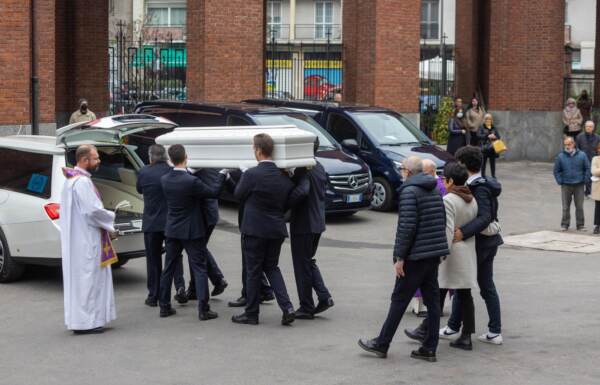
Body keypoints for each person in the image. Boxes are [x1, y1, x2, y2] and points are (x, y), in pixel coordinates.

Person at [358, 156, 449, 362]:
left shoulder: (409, 192)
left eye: (402, 169)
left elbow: (406, 228)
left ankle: (382, 343)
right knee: (433, 303)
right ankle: (429, 348)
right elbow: (441, 221)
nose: (401, 172)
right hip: (432, 254)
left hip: (415, 257)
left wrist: (399, 258)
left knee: (399, 300)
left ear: (408, 171)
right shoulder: (434, 189)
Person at [404, 162, 478, 351]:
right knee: (462, 293)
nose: (443, 181)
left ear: (452, 181)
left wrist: (440, 254)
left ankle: (428, 330)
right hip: (467, 250)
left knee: (438, 292)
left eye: (445, 178)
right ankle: (464, 334)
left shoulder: (449, 200)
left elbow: (447, 229)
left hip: (452, 252)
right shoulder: (471, 198)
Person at [231, 134, 302, 326]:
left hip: (254, 229)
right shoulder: (284, 177)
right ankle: (287, 307)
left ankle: (251, 314)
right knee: (272, 267)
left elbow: (238, 195)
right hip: (276, 229)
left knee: (253, 271)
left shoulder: (252, 174)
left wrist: (239, 175)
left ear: (258, 150)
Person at [158, 145, 228, 320]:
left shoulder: (165, 179)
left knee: (168, 268)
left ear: (169, 160)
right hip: (191, 230)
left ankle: (164, 306)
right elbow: (213, 192)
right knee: (199, 268)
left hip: (172, 229)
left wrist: (189, 172)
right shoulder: (191, 181)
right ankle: (203, 309)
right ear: (186, 157)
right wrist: (222, 174)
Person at [449, 146, 504, 345]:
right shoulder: (482, 183)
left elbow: (485, 216)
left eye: (458, 163)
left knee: (466, 284)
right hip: (487, 242)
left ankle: (492, 330)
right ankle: (457, 327)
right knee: (478, 285)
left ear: (464, 165)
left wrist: (463, 232)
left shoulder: (479, 187)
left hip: (482, 243)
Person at [59, 144, 117, 334]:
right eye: (96, 158)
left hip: (78, 238)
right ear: (84, 160)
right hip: (86, 240)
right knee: (89, 280)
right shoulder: (82, 183)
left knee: (82, 280)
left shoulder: (71, 181)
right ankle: (87, 322)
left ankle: (82, 320)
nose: (99, 161)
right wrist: (112, 217)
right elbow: (93, 211)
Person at [136, 145, 187, 307]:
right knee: (174, 257)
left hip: (151, 222)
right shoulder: (171, 171)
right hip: (171, 221)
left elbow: (139, 190)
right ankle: (180, 287)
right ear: (165, 157)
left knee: (153, 259)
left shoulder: (144, 172)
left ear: (150, 157)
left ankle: (154, 295)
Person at [290, 139, 334, 319]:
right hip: (317, 221)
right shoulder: (319, 166)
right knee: (308, 261)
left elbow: (301, 192)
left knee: (302, 265)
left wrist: (285, 203)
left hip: (304, 223)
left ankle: (306, 306)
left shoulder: (303, 169)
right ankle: (324, 296)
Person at [185, 168, 229, 300]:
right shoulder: (208, 162)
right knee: (197, 250)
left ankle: (216, 280)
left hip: (203, 214)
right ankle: (197, 287)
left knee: (196, 250)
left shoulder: (197, 166)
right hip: (209, 212)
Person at [410, 159, 446, 316]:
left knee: (425, 277)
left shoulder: (438, 187)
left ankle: (424, 308)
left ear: (431, 171)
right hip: (430, 238)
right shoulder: (436, 186)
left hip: (427, 238)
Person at [554, 136, 591, 231]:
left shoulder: (582, 155)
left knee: (579, 206)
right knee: (565, 207)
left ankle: (580, 225)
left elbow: (587, 168)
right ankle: (565, 225)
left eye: (569, 144)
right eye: (565, 144)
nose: (567, 146)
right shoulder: (560, 156)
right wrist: (560, 181)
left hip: (579, 184)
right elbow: (556, 171)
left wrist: (585, 180)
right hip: (566, 185)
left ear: (573, 144)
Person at [575, 121, 600, 197]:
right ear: (585, 127)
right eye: (587, 126)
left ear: (593, 128)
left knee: (592, 176)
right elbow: (576, 148)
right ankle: (582, 191)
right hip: (582, 159)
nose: (588, 128)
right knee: (582, 175)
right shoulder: (579, 137)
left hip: (593, 159)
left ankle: (589, 191)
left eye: (590, 126)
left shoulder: (598, 137)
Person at [478, 113, 501, 178]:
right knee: (483, 163)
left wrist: (495, 137)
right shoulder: (481, 127)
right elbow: (478, 136)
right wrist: (487, 136)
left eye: (489, 119)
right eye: (487, 119)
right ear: (484, 120)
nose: (488, 120)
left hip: (492, 148)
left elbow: (499, 137)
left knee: (492, 162)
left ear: (491, 120)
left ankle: (493, 175)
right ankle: (483, 175)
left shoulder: (494, 127)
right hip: (484, 147)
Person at [591, 143, 600, 234]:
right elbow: (594, 171)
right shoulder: (595, 159)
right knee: (598, 207)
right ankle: (596, 225)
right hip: (598, 188)